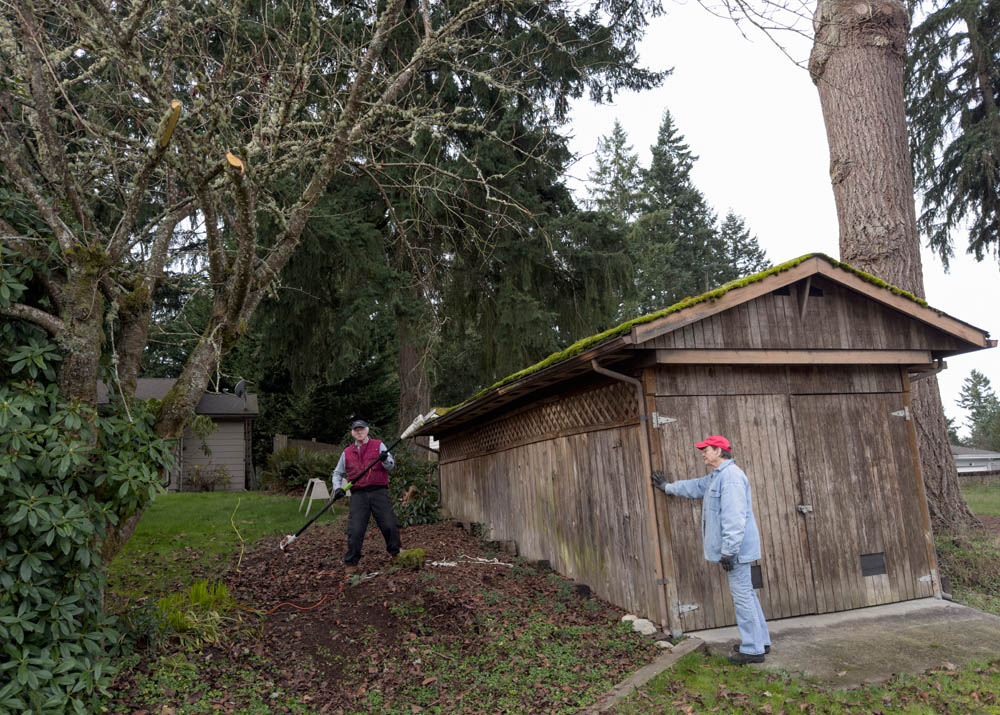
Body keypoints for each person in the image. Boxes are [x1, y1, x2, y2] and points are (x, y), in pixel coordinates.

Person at [651, 435, 771, 665]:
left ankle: (753, 650)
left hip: (736, 551)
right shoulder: (718, 476)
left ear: (718, 451)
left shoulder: (732, 478)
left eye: (706, 450)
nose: (703, 454)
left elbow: (735, 517)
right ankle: (760, 641)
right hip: (735, 549)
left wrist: (729, 550)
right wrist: (667, 487)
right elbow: (695, 486)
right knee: (747, 595)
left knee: (743, 597)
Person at [331, 419, 402, 574]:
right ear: (352, 433)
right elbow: (337, 473)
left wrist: (385, 459)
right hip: (358, 494)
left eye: (361, 429)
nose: (359, 432)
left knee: (389, 524)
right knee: (355, 529)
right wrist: (337, 489)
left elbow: (391, 465)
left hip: (379, 492)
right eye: (356, 430)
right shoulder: (347, 452)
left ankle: (396, 553)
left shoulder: (379, 445)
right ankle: (351, 562)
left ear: (367, 430)